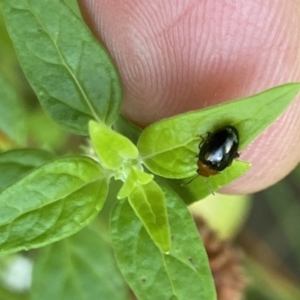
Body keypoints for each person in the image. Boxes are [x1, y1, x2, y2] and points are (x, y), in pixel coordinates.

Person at [79, 0, 300, 195]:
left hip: (229, 135)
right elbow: (213, 143)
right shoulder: (205, 159)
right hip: (225, 133)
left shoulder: (216, 165)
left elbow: (229, 150)